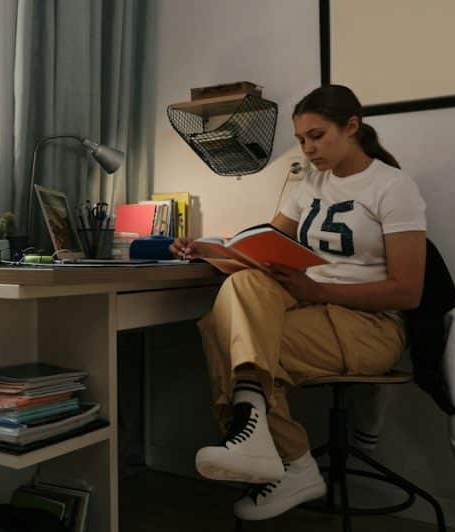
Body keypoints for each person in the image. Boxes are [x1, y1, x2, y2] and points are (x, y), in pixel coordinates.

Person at [169, 85, 427, 521]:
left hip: (371, 325)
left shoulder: (393, 186)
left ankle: (277, 451)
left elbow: (408, 291)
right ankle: (278, 450)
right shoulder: (308, 186)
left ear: (351, 127)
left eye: (318, 136)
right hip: (310, 310)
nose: (308, 149)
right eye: (302, 139)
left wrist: (319, 291)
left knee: (225, 331)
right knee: (245, 287)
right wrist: (209, 250)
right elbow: (262, 251)